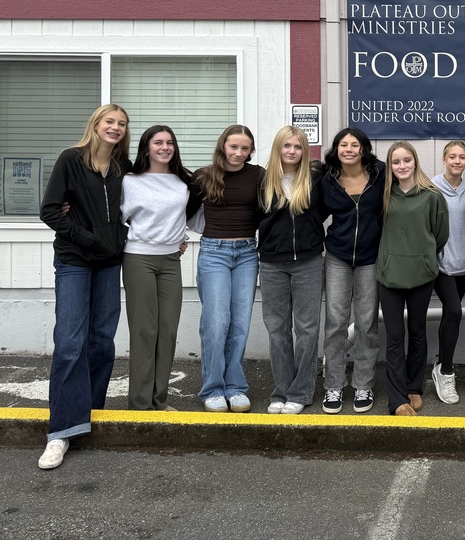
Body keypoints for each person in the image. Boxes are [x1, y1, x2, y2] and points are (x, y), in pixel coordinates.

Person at [38, 104, 131, 470]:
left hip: (109, 263)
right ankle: (60, 431)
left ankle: (89, 415)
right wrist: (88, 238)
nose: (116, 128)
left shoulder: (124, 168)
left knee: (101, 341)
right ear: (95, 124)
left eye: (122, 124)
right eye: (110, 121)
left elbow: (140, 207)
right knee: (70, 343)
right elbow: (49, 210)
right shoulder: (71, 160)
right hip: (75, 262)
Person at [120, 124, 201, 412]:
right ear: (146, 147)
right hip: (138, 259)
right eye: (158, 142)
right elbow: (114, 217)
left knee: (167, 331)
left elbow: (194, 219)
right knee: (145, 331)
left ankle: (159, 400)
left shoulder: (184, 182)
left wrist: (180, 238)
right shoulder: (130, 181)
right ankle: (140, 405)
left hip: (171, 262)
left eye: (169, 142)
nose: (165, 147)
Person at [193, 125, 265, 413]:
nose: (238, 153)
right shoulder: (203, 176)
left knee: (240, 324)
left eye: (244, 148)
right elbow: (180, 210)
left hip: (247, 253)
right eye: (233, 146)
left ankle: (235, 386)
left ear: (251, 151)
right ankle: (212, 387)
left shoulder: (258, 175)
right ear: (223, 145)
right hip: (214, 253)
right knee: (216, 322)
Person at [375, 142, 450, 415]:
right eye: (396, 162)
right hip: (389, 275)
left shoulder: (432, 196)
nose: (402, 166)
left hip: (421, 275)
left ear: (415, 162)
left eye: (407, 160)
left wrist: (423, 257)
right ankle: (396, 399)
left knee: (418, 332)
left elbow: (440, 235)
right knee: (395, 336)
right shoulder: (383, 195)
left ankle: (414, 387)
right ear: (390, 166)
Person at [258, 126, 325, 415]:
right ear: (278, 148)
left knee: (307, 329)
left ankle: (300, 391)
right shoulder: (262, 180)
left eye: (298, 147)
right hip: (272, 263)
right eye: (287, 146)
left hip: (308, 262)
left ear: (304, 151)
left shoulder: (315, 179)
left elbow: (323, 211)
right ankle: (281, 391)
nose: (292, 152)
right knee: (277, 330)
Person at [320, 127, 385, 414]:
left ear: (363, 149)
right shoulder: (327, 180)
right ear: (336, 149)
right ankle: (333, 386)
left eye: (354, 144)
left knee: (367, 323)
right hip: (337, 257)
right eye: (343, 144)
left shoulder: (380, 174)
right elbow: (311, 214)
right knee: (335, 322)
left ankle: (363, 385)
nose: (348, 149)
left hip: (371, 258)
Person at [430, 140, 465, 404]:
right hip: (441, 266)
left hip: (463, 266)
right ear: (444, 159)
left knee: (450, 315)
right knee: (455, 311)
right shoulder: (432, 188)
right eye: (452, 157)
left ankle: (440, 363)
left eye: (462, 157)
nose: (457, 161)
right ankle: (446, 372)